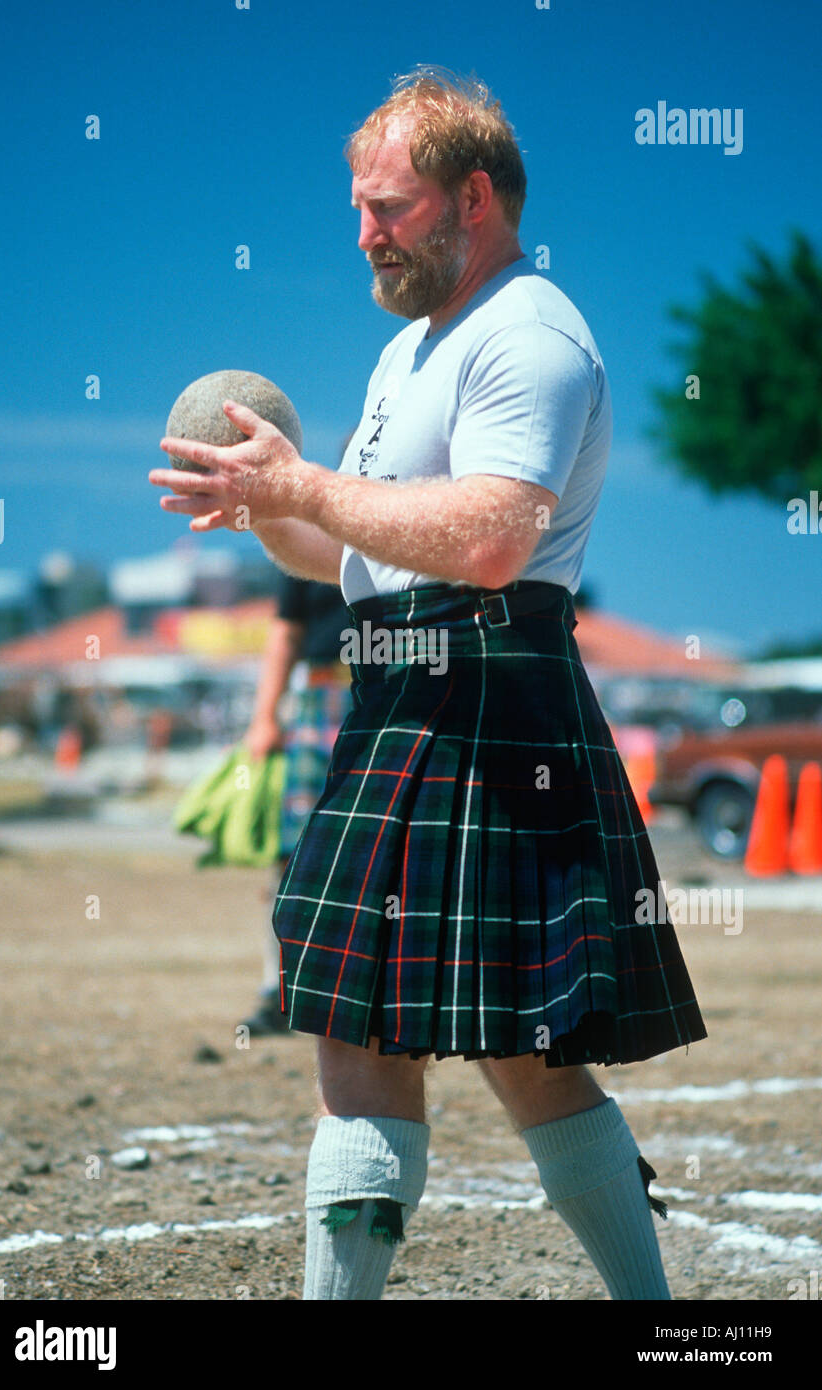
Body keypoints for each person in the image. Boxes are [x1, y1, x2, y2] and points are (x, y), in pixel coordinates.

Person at [151, 66, 707, 1302]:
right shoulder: (408, 352)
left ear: (472, 196)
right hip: (394, 698)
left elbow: (493, 535)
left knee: (527, 1058)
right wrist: (261, 506)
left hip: (491, 704)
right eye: (355, 208)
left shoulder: (530, 334)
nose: (362, 234)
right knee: (363, 1031)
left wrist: (303, 490)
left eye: (387, 207)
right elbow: (351, 547)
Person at [239, 571, 352, 1035]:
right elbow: (286, 628)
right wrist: (264, 717)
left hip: (400, 687)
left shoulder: (413, 506)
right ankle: (279, 991)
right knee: (294, 858)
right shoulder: (303, 527)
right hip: (321, 695)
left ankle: (372, 993)